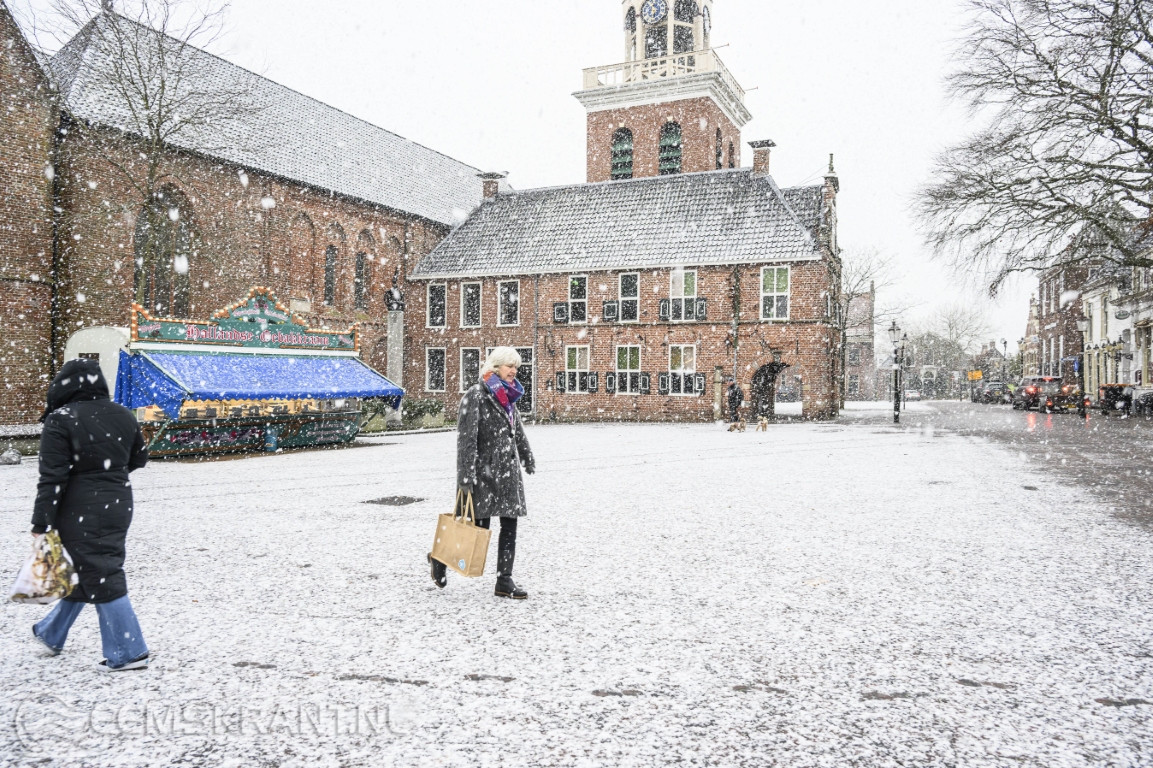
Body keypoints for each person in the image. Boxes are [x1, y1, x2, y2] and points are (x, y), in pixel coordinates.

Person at [29, 358, 151, 670]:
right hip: (119, 502)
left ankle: (129, 651)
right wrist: (109, 476)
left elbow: (52, 477)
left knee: (101, 572)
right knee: (89, 569)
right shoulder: (122, 414)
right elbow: (140, 457)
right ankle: (50, 633)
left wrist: (41, 522)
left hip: (78, 506)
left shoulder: (61, 418)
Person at [428, 347, 535, 599]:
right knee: (477, 528)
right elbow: (466, 441)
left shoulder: (507, 395)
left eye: (516, 367)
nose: (514, 371)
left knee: (510, 524)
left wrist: (527, 455)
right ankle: (439, 558)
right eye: (510, 366)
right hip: (483, 473)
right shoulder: (475, 396)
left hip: (507, 472)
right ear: (495, 366)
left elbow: (515, 428)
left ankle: (504, 581)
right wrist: (465, 478)